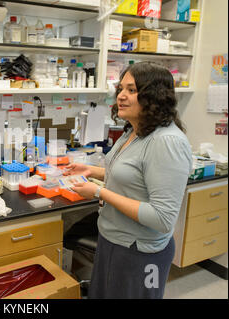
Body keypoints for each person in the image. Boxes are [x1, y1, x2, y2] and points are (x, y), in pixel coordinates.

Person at [64, 62, 192, 299]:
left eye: (132, 90)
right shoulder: (133, 131)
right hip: (113, 240)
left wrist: (99, 193)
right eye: (121, 88)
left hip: (140, 252)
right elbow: (133, 177)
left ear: (155, 96)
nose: (121, 96)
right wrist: (91, 170)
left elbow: (162, 218)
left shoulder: (166, 142)